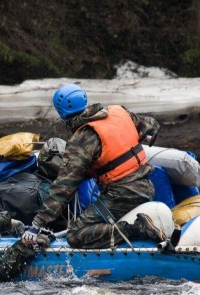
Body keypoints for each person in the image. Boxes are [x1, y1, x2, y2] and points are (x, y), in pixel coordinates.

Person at [22, 83, 166, 249]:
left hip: (123, 194)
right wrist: (145, 135)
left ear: (62, 113)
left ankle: (135, 229)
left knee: (76, 234)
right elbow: (151, 124)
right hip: (146, 185)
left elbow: (64, 187)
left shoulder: (82, 138)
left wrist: (37, 224)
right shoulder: (117, 111)